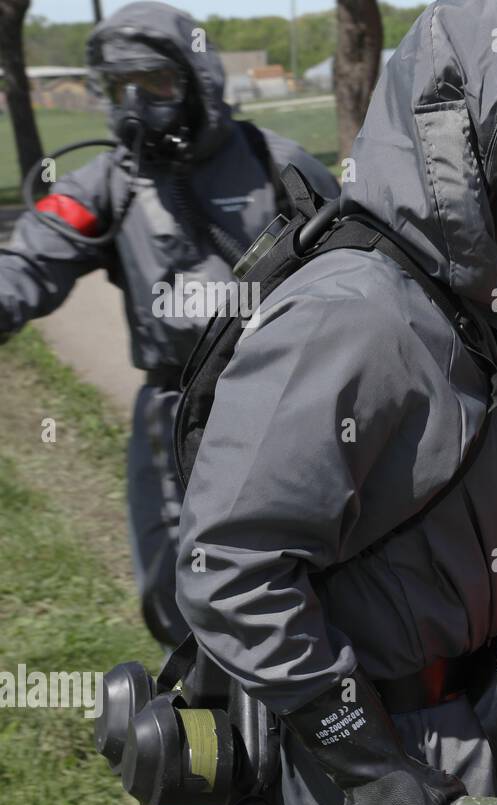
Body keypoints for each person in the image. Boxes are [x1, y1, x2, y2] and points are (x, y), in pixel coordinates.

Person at [174, 0, 497, 805]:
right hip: (384, 758)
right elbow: (227, 562)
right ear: (469, 155)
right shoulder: (352, 318)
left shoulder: (469, 298)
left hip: (481, 722)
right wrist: (362, 761)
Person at [0, 2, 339, 653]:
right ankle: (212, 728)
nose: (136, 106)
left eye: (153, 84)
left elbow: (369, 274)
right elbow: (30, 260)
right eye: (119, 89)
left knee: (310, 569)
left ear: (197, 80)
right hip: (171, 410)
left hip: (284, 403)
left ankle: (326, 711)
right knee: (172, 586)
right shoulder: (107, 183)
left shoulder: (281, 168)